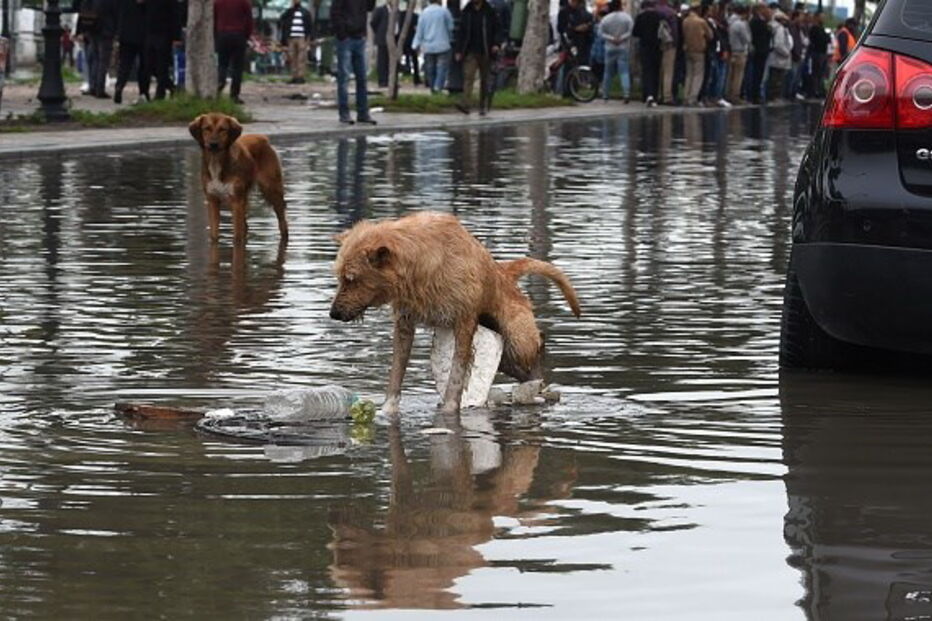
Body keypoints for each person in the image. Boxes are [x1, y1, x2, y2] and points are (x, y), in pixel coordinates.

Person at [331, 0, 377, 124]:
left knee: (362, 77)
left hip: (359, 37)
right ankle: (344, 113)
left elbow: (370, 7)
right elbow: (335, 12)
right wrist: (342, 33)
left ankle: (363, 113)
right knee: (344, 77)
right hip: (346, 37)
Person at [454, 0, 501, 116]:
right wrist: (459, 50)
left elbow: (497, 29)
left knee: (485, 79)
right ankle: (465, 103)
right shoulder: (467, 11)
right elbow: (461, 32)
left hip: (486, 50)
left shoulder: (490, 11)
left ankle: (483, 105)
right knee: (468, 76)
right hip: (470, 51)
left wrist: (496, 44)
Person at [215, 0, 252, 104]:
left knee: (222, 64)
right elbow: (249, 21)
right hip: (239, 35)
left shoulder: (218, 2)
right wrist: (246, 35)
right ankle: (234, 95)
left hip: (222, 34)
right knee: (237, 67)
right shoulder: (244, 2)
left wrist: (216, 35)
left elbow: (214, 19)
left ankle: (219, 85)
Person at [412, 0, 454, 93]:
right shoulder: (444, 12)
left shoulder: (424, 13)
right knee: (441, 68)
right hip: (443, 44)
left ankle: (432, 88)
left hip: (428, 46)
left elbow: (420, 31)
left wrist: (416, 44)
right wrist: (450, 39)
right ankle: (438, 87)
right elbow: (450, 27)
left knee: (430, 69)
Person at [145, 0, 182, 101]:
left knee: (162, 66)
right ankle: (170, 85)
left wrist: (176, 36)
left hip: (164, 33)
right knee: (150, 65)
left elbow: (175, 15)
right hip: (150, 32)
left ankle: (160, 93)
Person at [599, 0, 632, 103]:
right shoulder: (627, 18)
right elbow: (630, 31)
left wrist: (611, 38)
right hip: (623, 47)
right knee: (624, 71)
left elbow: (600, 33)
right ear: (620, 6)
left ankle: (605, 94)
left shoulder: (606, 19)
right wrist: (622, 38)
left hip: (610, 47)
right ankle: (626, 94)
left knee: (607, 72)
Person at [114, 0, 146, 104]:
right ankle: (143, 92)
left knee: (124, 64)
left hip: (125, 33)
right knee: (144, 66)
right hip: (143, 34)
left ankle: (119, 86)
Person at [633, 0, 662, 107]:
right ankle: (654, 95)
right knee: (656, 71)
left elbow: (635, 32)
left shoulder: (640, 17)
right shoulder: (659, 16)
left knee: (646, 71)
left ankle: (647, 95)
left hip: (644, 46)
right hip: (656, 46)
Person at [682, 4, 711, 106]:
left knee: (689, 74)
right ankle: (693, 98)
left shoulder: (685, 21)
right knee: (698, 75)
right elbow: (710, 35)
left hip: (688, 49)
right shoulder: (701, 22)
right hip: (699, 50)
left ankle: (685, 97)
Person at [280, 0, 313, 84]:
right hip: (291, 38)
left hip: (302, 38)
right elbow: (283, 22)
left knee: (301, 57)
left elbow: (309, 26)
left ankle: (300, 76)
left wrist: (308, 40)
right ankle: (294, 76)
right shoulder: (289, 12)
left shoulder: (305, 12)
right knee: (292, 57)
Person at [766, 9, 792, 102]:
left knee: (776, 79)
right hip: (778, 58)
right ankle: (773, 97)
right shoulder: (779, 29)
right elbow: (778, 44)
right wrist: (786, 52)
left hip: (777, 58)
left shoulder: (776, 28)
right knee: (776, 80)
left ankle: (774, 96)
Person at [656, 0, 679, 105]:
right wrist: (675, 42)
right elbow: (674, 30)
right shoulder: (670, 13)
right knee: (668, 70)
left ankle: (658, 94)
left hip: (656, 44)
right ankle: (667, 96)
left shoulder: (654, 10)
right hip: (669, 43)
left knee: (659, 70)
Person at [727, 4, 750, 104]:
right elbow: (746, 39)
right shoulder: (741, 24)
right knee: (738, 76)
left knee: (730, 75)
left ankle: (727, 94)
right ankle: (735, 96)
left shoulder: (729, 21)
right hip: (740, 51)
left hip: (731, 50)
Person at [748, 4, 772, 104]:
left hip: (763, 50)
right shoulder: (757, 21)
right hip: (759, 50)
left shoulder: (763, 22)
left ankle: (756, 94)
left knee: (760, 74)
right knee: (756, 74)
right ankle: (754, 95)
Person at [807, 11, 830, 98]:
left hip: (822, 53)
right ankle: (813, 91)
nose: (823, 19)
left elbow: (828, 39)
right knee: (815, 73)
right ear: (817, 17)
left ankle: (819, 90)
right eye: (821, 17)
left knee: (821, 74)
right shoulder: (814, 28)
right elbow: (820, 40)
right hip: (816, 53)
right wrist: (825, 38)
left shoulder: (821, 28)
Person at [370, 3, 391, 88]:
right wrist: (379, 32)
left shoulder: (396, 11)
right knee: (382, 60)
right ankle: (382, 80)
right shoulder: (381, 10)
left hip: (393, 40)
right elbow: (373, 23)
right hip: (382, 39)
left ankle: (390, 80)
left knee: (390, 61)